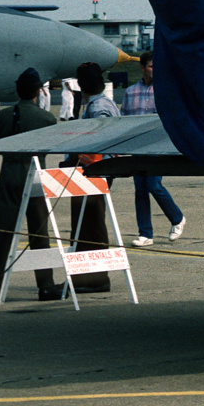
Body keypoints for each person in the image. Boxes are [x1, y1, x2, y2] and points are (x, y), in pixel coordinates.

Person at [0, 68, 64, 302]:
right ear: (38, 91)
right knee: (40, 232)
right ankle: (45, 285)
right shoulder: (46, 119)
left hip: (9, 174)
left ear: (17, 90)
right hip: (36, 175)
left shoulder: (3, 116)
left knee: (4, 230)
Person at [120, 52, 184, 246]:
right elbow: (124, 119)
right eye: (150, 66)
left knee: (153, 185)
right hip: (138, 148)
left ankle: (177, 218)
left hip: (157, 147)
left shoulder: (166, 90)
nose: (154, 70)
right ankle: (145, 234)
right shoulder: (130, 92)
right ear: (142, 67)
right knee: (140, 189)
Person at [68, 62, 117, 293]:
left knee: (89, 226)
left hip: (93, 173)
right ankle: (89, 277)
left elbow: (97, 145)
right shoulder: (102, 104)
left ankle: (94, 278)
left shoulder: (98, 109)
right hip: (98, 172)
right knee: (89, 225)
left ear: (81, 84)